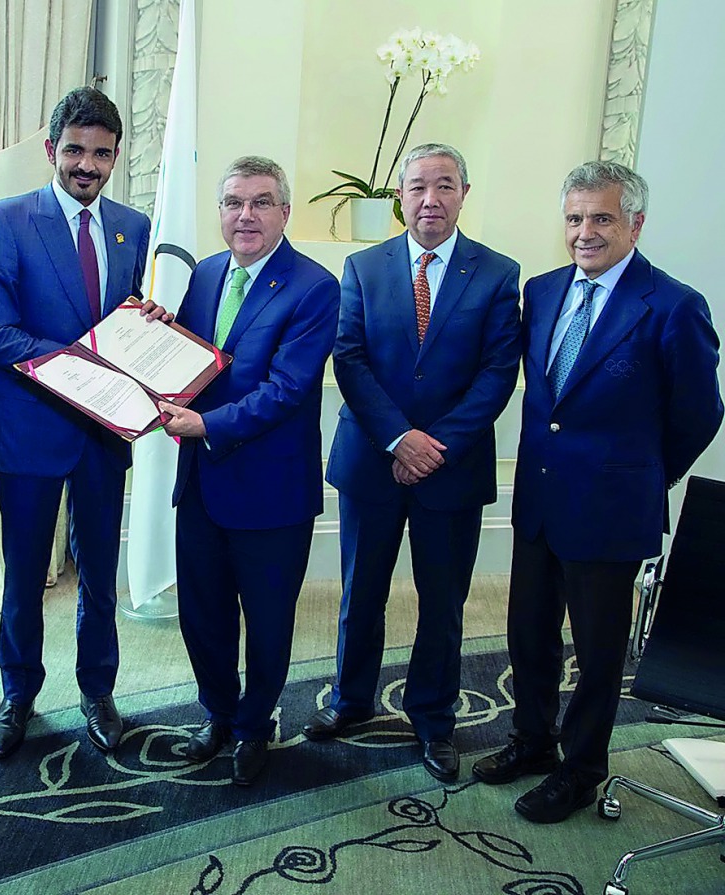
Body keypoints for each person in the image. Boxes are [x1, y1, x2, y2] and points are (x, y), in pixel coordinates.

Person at [474, 160, 722, 823]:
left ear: (636, 223)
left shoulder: (672, 304)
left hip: (612, 511)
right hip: (541, 503)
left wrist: (645, 472)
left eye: (602, 218)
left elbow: (701, 412)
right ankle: (531, 741)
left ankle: (581, 769)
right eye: (575, 218)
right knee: (529, 633)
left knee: (597, 650)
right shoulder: (546, 289)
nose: (584, 232)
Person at [305, 143, 522, 783]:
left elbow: (497, 372)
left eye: (445, 186)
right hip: (373, 460)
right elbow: (349, 358)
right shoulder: (364, 266)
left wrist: (434, 445)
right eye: (418, 186)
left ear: (464, 192)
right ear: (401, 194)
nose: (430, 199)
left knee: (444, 602)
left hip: (451, 468)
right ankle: (350, 701)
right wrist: (400, 438)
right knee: (359, 593)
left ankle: (434, 718)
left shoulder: (497, 272)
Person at [0, 86, 168, 759]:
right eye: (75, 150)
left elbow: (126, 325)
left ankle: (99, 690)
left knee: (99, 573)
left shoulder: (132, 227)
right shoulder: (3, 218)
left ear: (116, 157)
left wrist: (151, 330)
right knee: (25, 577)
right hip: (32, 428)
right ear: (52, 149)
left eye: (101, 153)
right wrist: (74, 365)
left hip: (103, 437)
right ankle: (19, 694)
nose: (87, 164)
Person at [159, 156, 340, 786]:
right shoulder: (206, 274)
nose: (246, 215)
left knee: (266, 621)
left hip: (270, 490)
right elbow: (186, 362)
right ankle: (218, 715)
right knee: (202, 613)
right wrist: (155, 336)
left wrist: (207, 425)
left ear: (285, 212)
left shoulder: (315, 287)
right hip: (203, 485)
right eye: (234, 202)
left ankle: (255, 726)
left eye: (261, 202)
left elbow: (288, 390)